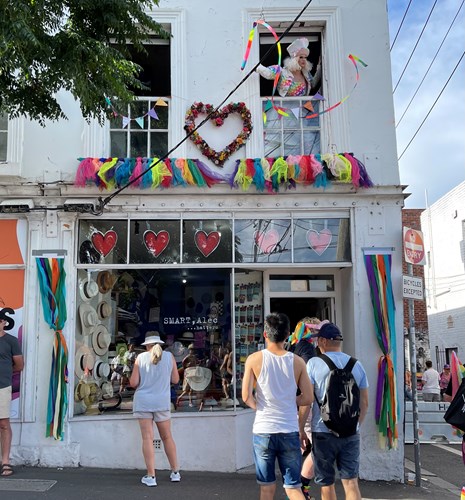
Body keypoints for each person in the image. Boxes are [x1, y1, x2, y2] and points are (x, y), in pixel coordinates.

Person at [242, 312, 313, 500]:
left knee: (267, 488)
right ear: (288, 334)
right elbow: (308, 397)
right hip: (289, 429)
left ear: (265, 334)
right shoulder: (297, 362)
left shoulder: (253, 359)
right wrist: (290, 401)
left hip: (263, 429)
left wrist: (260, 407)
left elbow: (246, 396)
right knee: (293, 487)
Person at [300, 323, 368, 500]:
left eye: (318, 341)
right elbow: (365, 403)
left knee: (327, 484)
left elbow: (307, 401)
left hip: (323, 431)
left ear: (322, 341)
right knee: (351, 482)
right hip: (351, 433)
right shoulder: (357, 365)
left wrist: (300, 429)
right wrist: (354, 426)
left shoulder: (314, 363)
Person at [129, 333, 181, 487]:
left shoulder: (140, 358)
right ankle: (175, 472)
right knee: (167, 437)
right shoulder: (169, 357)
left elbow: (133, 382)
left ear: (147, 345)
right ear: (160, 343)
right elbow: (176, 380)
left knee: (147, 439)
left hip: (144, 401)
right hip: (162, 401)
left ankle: (151, 476)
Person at [288, 317, 324, 499]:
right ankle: (301, 488)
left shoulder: (293, 345)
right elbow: (309, 379)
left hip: (295, 404)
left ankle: (298, 488)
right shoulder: (306, 347)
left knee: (306, 449)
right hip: (304, 404)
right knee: (319, 448)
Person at [0, 312, 24, 476]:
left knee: (3, 423)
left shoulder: (11, 341)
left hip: (2, 386)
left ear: (3, 322)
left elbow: (19, 365)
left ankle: (5, 461)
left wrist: (6, 373)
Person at [256, 38, 322, 97]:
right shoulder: (282, 72)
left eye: (305, 57)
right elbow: (268, 73)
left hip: (304, 109)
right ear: (294, 59)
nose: (304, 59)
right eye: (301, 57)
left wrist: (320, 67)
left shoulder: (306, 74)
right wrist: (257, 67)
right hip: (285, 108)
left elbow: (313, 84)